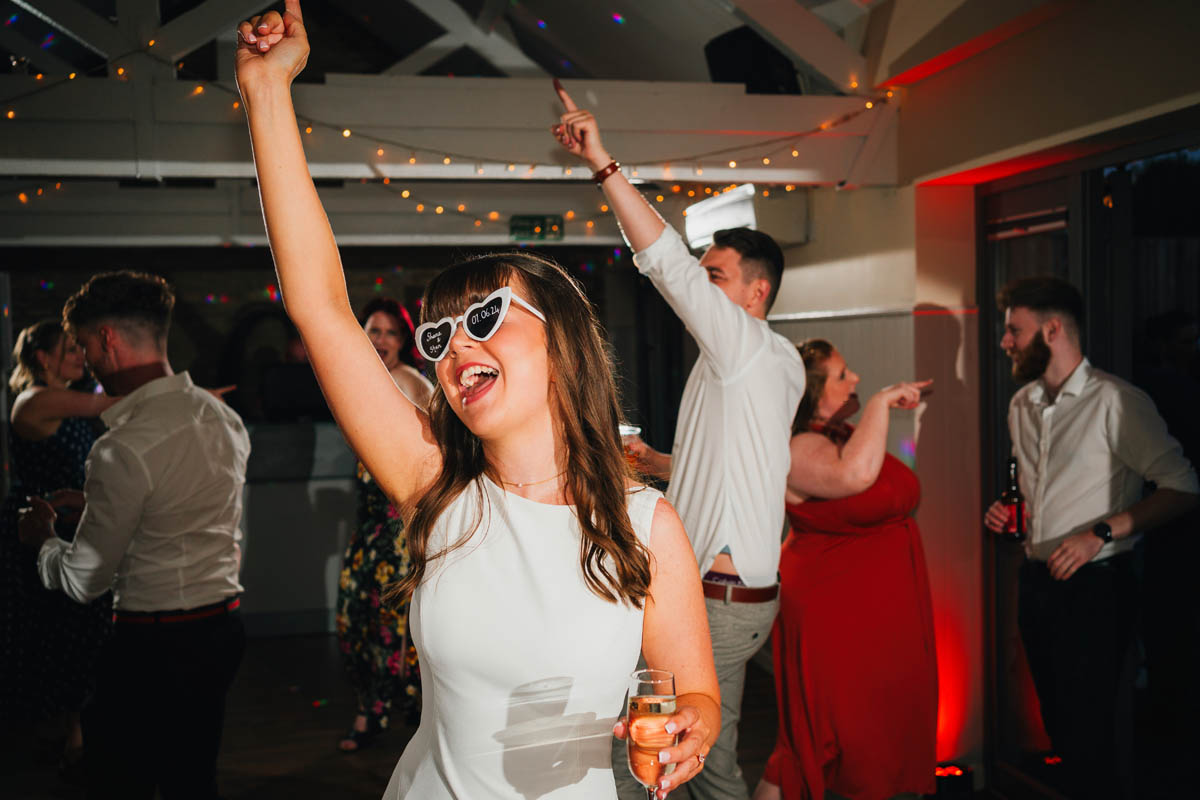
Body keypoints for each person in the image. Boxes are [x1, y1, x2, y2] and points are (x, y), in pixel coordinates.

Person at [234, 4, 719, 798]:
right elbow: (320, 303)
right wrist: (266, 91)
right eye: (440, 335)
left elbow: (692, 692)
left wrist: (692, 726)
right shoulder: (436, 487)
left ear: (562, 344)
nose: (457, 344)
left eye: (485, 318)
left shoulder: (648, 527)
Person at [552, 83, 805, 799]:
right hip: (731, 593)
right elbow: (740, 465)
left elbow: (663, 261)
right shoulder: (757, 364)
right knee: (685, 759)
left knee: (682, 760)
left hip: (718, 598)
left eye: (715, 276)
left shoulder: (747, 347)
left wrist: (602, 163)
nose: (702, 285)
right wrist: (660, 463)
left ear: (756, 293)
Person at [17, 271, 251, 800]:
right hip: (222, 630)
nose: (89, 366)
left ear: (107, 341)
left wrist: (45, 541)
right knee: (193, 777)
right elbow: (201, 516)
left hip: (153, 644)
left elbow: (84, 580)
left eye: (84, 347)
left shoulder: (121, 448)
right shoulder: (222, 418)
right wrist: (99, 504)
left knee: (122, 780)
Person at [983, 277, 1199, 800]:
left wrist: (1099, 534)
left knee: (1090, 737)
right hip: (1037, 582)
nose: (1005, 341)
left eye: (1015, 330)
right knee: (1059, 727)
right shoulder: (1022, 406)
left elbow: (1183, 487)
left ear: (1052, 329)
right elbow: (1042, 494)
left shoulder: (1117, 402)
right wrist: (1010, 515)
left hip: (1098, 589)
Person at [752, 340, 936, 800]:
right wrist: (879, 402)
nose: (854, 380)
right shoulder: (799, 446)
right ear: (810, 392)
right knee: (841, 735)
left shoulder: (839, 437)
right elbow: (854, 477)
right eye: (842, 375)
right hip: (837, 611)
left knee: (879, 730)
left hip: (878, 612)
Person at [0, 320, 116, 772]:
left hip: (76, 521)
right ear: (42, 358)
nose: (78, 355)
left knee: (78, 631)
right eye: (68, 348)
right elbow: (112, 403)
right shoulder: (37, 400)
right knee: (53, 631)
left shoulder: (74, 399)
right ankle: (60, 739)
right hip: (42, 525)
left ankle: (73, 735)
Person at [337, 297, 433, 752]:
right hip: (369, 529)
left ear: (404, 342)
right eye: (372, 330)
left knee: (396, 630)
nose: (379, 341)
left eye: (389, 333)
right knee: (358, 622)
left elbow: (439, 452)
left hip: (400, 533)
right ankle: (374, 711)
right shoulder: (366, 382)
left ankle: (406, 718)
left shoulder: (409, 381)